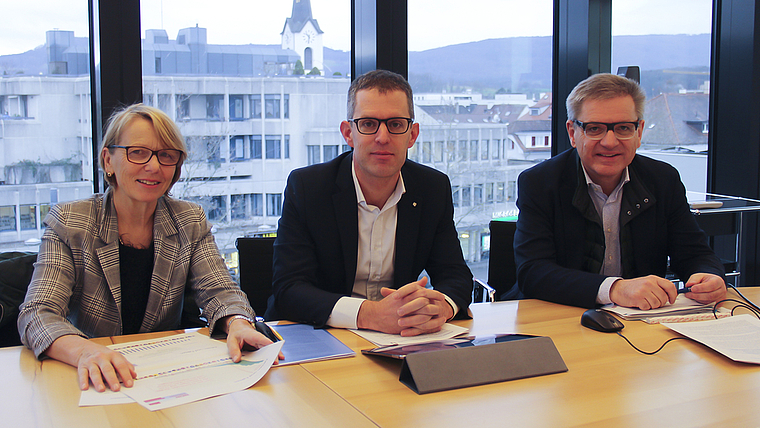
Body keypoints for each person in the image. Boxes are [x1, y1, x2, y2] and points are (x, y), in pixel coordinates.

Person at [18, 104, 280, 393]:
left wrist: (238, 323)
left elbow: (221, 291)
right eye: (138, 152)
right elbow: (38, 313)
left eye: (166, 155)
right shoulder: (71, 221)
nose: (154, 166)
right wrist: (85, 351)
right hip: (92, 377)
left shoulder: (189, 220)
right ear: (108, 160)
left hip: (165, 376)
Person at [266, 69, 473, 336]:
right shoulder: (308, 187)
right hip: (319, 334)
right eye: (368, 124)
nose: (383, 137)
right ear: (348, 133)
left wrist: (441, 307)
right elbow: (289, 289)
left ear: (412, 135)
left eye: (396, 124)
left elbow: (455, 275)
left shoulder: (432, 188)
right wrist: (370, 314)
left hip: (401, 337)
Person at [512, 73, 727, 310]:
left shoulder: (663, 179)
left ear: (639, 132)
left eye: (624, 128)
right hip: (560, 317)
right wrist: (614, 289)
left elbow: (694, 253)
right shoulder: (540, 183)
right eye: (595, 129)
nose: (610, 142)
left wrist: (708, 275)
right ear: (573, 133)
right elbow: (533, 272)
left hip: (640, 321)